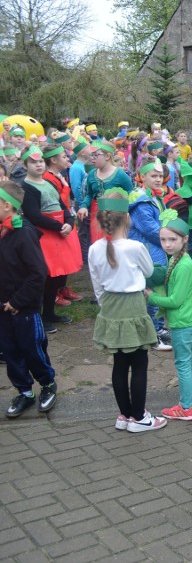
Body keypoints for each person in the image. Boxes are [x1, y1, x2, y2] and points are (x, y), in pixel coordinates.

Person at [88, 189, 166, 432]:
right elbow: (150, 273)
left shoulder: (94, 249)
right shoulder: (134, 247)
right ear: (127, 218)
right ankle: (140, 417)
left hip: (110, 306)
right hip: (133, 304)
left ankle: (124, 415)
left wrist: (106, 307)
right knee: (139, 362)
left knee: (119, 363)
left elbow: (96, 283)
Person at [0, 180, 58, 419]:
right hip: (2, 307)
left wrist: (17, 301)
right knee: (10, 351)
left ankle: (47, 384)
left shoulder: (23, 233)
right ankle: (24, 391)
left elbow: (38, 274)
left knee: (32, 348)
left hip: (23, 307)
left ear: (6, 206)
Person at [146, 211, 192, 421]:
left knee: (182, 364)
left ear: (185, 239)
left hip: (182, 322)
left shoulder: (184, 265)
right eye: (163, 239)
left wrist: (151, 296)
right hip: (185, 320)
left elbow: (175, 301)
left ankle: (186, 408)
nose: (167, 244)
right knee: (188, 362)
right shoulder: (176, 260)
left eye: (173, 239)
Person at [19, 145, 83, 332]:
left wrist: (69, 222)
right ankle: (38, 318)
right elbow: (33, 215)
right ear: (25, 165)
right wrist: (58, 226)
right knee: (45, 277)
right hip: (44, 236)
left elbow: (62, 206)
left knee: (57, 278)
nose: (38, 165)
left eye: (40, 161)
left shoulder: (48, 183)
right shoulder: (26, 187)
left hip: (59, 233)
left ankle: (49, 313)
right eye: (33, 162)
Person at [128, 158, 172, 352]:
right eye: (153, 176)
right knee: (152, 291)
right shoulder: (141, 200)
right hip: (148, 251)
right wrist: (170, 240)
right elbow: (150, 229)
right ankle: (152, 335)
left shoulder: (154, 196)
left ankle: (158, 327)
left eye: (160, 176)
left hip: (156, 250)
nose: (157, 179)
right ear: (142, 176)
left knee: (158, 290)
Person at [42, 144, 84, 306]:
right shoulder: (48, 178)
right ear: (53, 160)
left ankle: (62, 287)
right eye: (64, 157)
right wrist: (66, 188)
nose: (68, 159)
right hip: (57, 220)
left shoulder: (59, 175)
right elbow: (56, 199)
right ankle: (55, 292)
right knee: (58, 259)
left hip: (65, 218)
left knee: (67, 257)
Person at [78, 140, 134, 244]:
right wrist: (84, 206)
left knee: (115, 242)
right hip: (97, 215)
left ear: (107, 156)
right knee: (99, 243)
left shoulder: (120, 175)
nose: (92, 158)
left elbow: (131, 195)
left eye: (96, 155)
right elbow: (89, 194)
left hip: (116, 215)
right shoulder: (91, 175)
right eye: (91, 155)